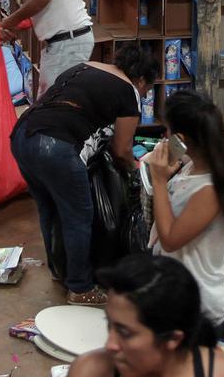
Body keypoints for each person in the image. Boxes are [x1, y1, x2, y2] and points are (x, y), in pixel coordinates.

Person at [9, 46, 159, 306]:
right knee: (78, 217)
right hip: (56, 148)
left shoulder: (84, 67)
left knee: (49, 208)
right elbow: (122, 149)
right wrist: (133, 174)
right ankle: (80, 287)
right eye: (147, 89)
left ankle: (60, 269)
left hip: (23, 135)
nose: (144, 94)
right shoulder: (128, 91)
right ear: (142, 79)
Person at [63, 254, 224, 377]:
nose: (110, 344)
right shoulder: (89, 375)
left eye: (125, 333)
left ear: (173, 339)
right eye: (110, 324)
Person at [145, 91, 224, 327]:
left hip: (196, 303)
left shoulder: (211, 189)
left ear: (179, 138)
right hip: (177, 288)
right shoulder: (197, 165)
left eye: (167, 130)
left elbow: (170, 240)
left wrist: (159, 181)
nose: (165, 136)